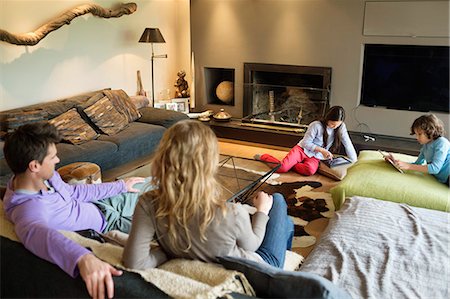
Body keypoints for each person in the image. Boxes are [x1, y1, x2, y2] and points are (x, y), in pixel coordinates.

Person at [123, 120, 294, 270]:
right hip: (258, 267)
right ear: (209, 164)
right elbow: (252, 246)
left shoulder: (147, 203)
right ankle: (282, 270)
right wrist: (262, 211)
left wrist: (168, 252)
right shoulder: (232, 212)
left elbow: (135, 262)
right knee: (278, 202)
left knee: (286, 222)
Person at [2, 122, 145, 299]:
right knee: (166, 217)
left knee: (155, 184)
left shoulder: (48, 177)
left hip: (103, 204)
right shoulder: (27, 209)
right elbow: (38, 234)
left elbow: (74, 192)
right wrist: (83, 258)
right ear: (34, 166)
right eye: (52, 157)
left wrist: (120, 186)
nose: (58, 160)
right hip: (109, 224)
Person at [255, 106, 357, 175]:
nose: (334, 127)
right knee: (281, 169)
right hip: (302, 150)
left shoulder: (341, 127)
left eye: (337, 125)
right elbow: (305, 142)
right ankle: (264, 157)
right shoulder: (316, 125)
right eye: (332, 124)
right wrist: (322, 150)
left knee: (310, 171)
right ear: (327, 118)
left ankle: (291, 164)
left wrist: (355, 162)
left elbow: (347, 143)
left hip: (315, 155)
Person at [393, 114, 450, 185]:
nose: (417, 138)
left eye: (419, 134)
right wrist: (397, 163)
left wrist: (409, 166)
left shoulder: (442, 142)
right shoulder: (425, 146)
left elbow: (435, 168)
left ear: (430, 131)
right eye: (416, 134)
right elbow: (417, 164)